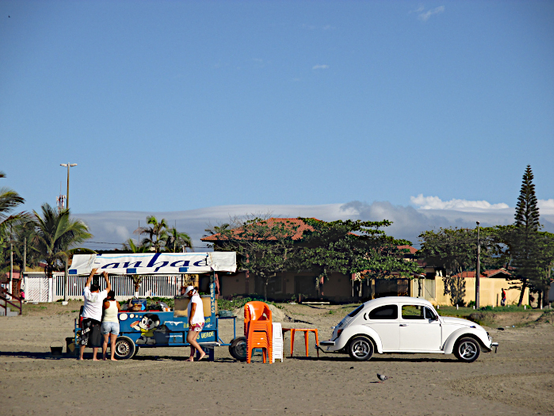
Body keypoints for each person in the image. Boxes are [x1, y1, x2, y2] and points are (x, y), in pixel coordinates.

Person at [79, 268, 111, 361]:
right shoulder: (100, 295)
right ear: (98, 290)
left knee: (84, 338)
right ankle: (94, 357)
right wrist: (106, 277)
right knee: (95, 339)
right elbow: (108, 288)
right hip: (96, 320)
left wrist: (92, 274)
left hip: (86, 319)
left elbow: (86, 284)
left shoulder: (87, 294)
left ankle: (81, 357)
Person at [185, 286, 206, 361]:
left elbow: (193, 308)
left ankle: (201, 352)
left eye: (188, 293)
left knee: (189, 339)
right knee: (193, 340)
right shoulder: (198, 297)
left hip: (195, 321)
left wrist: (191, 319)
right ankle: (191, 357)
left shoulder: (194, 298)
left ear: (190, 292)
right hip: (200, 321)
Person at [101, 290, 121, 361]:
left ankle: (104, 356)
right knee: (113, 342)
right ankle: (112, 357)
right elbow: (119, 309)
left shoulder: (106, 303)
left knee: (105, 341)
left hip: (106, 322)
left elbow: (102, 310)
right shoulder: (117, 303)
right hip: (115, 322)